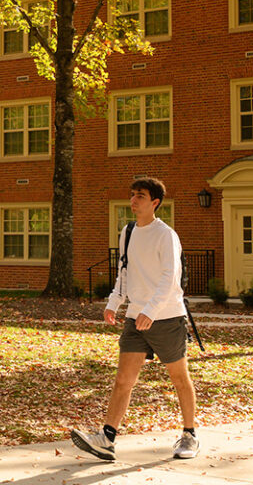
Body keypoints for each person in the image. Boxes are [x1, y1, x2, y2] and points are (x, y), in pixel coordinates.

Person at [70, 177, 199, 461]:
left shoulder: (166, 235)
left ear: (155, 202)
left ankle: (189, 435)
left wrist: (150, 311)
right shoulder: (127, 232)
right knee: (123, 380)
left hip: (165, 317)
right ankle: (107, 438)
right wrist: (114, 303)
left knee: (179, 378)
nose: (133, 200)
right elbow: (124, 273)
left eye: (140, 196)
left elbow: (170, 278)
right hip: (135, 318)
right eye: (132, 195)